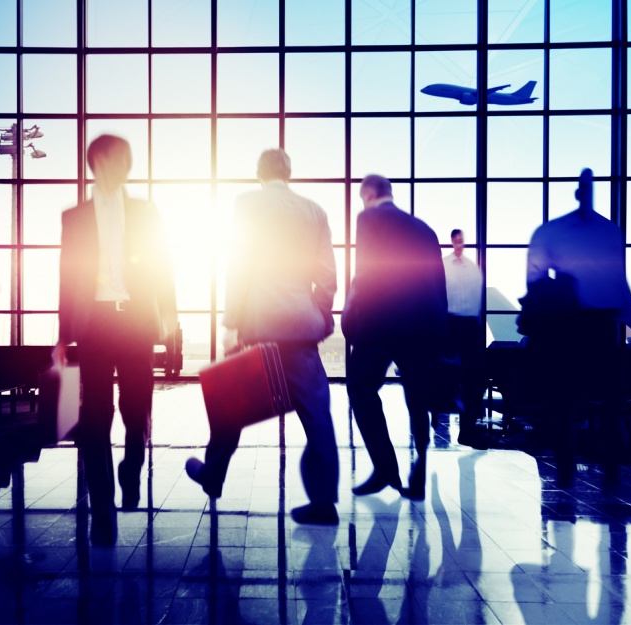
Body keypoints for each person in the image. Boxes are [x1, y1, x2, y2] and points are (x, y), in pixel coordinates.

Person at [184, 148, 340, 525]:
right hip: (301, 327)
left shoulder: (247, 204)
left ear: (259, 173)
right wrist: (318, 312)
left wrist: (232, 321)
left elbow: (239, 265)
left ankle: (214, 474)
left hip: (260, 324)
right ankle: (324, 503)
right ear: (289, 172)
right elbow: (329, 274)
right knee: (318, 414)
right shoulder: (314, 211)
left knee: (233, 399)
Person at [54, 135, 177, 546]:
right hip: (96, 323)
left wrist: (170, 315)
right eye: (109, 162)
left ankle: (131, 467)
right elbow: (67, 276)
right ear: (94, 165)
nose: (116, 169)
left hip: (137, 319)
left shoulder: (146, 212)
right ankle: (102, 511)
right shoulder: (75, 217)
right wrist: (61, 334)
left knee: (137, 406)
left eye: (123, 161)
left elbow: (162, 265)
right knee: (95, 416)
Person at [523, 168, 631, 484]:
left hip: (568, 330)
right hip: (600, 327)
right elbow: (619, 288)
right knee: (608, 403)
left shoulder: (551, 232)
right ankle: (608, 472)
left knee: (567, 404)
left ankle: (568, 471)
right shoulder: (610, 233)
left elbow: (536, 283)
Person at [344, 174, 447, 501]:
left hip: (382, 321)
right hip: (425, 324)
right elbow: (439, 284)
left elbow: (367, 272)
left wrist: (355, 318)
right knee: (417, 396)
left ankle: (386, 467)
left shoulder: (369, 217)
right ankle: (418, 470)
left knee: (360, 388)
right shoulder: (425, 229)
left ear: (368, 195)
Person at [442, 228, 487, 449]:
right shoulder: (443, 265)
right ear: (452, 241)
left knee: (473, 377)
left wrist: (476, 324)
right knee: (449, 373)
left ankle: (467, 429)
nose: (459, 243)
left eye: (462, 240)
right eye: (456, 240)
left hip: (469, 323)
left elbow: (476, 297)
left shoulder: (473, 268)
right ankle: (446, 417)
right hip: (450, 322)